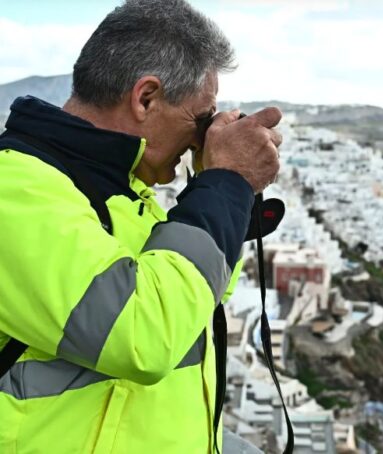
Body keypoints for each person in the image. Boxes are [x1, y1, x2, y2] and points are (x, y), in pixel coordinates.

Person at [0, 0, 281, 452]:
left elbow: (203, 297)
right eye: (201, 117)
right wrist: (227, 182)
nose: (201, 137)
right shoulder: (14, 190)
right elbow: (144, 334)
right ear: (145, 98)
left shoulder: (124, 196)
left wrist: (221, 192)